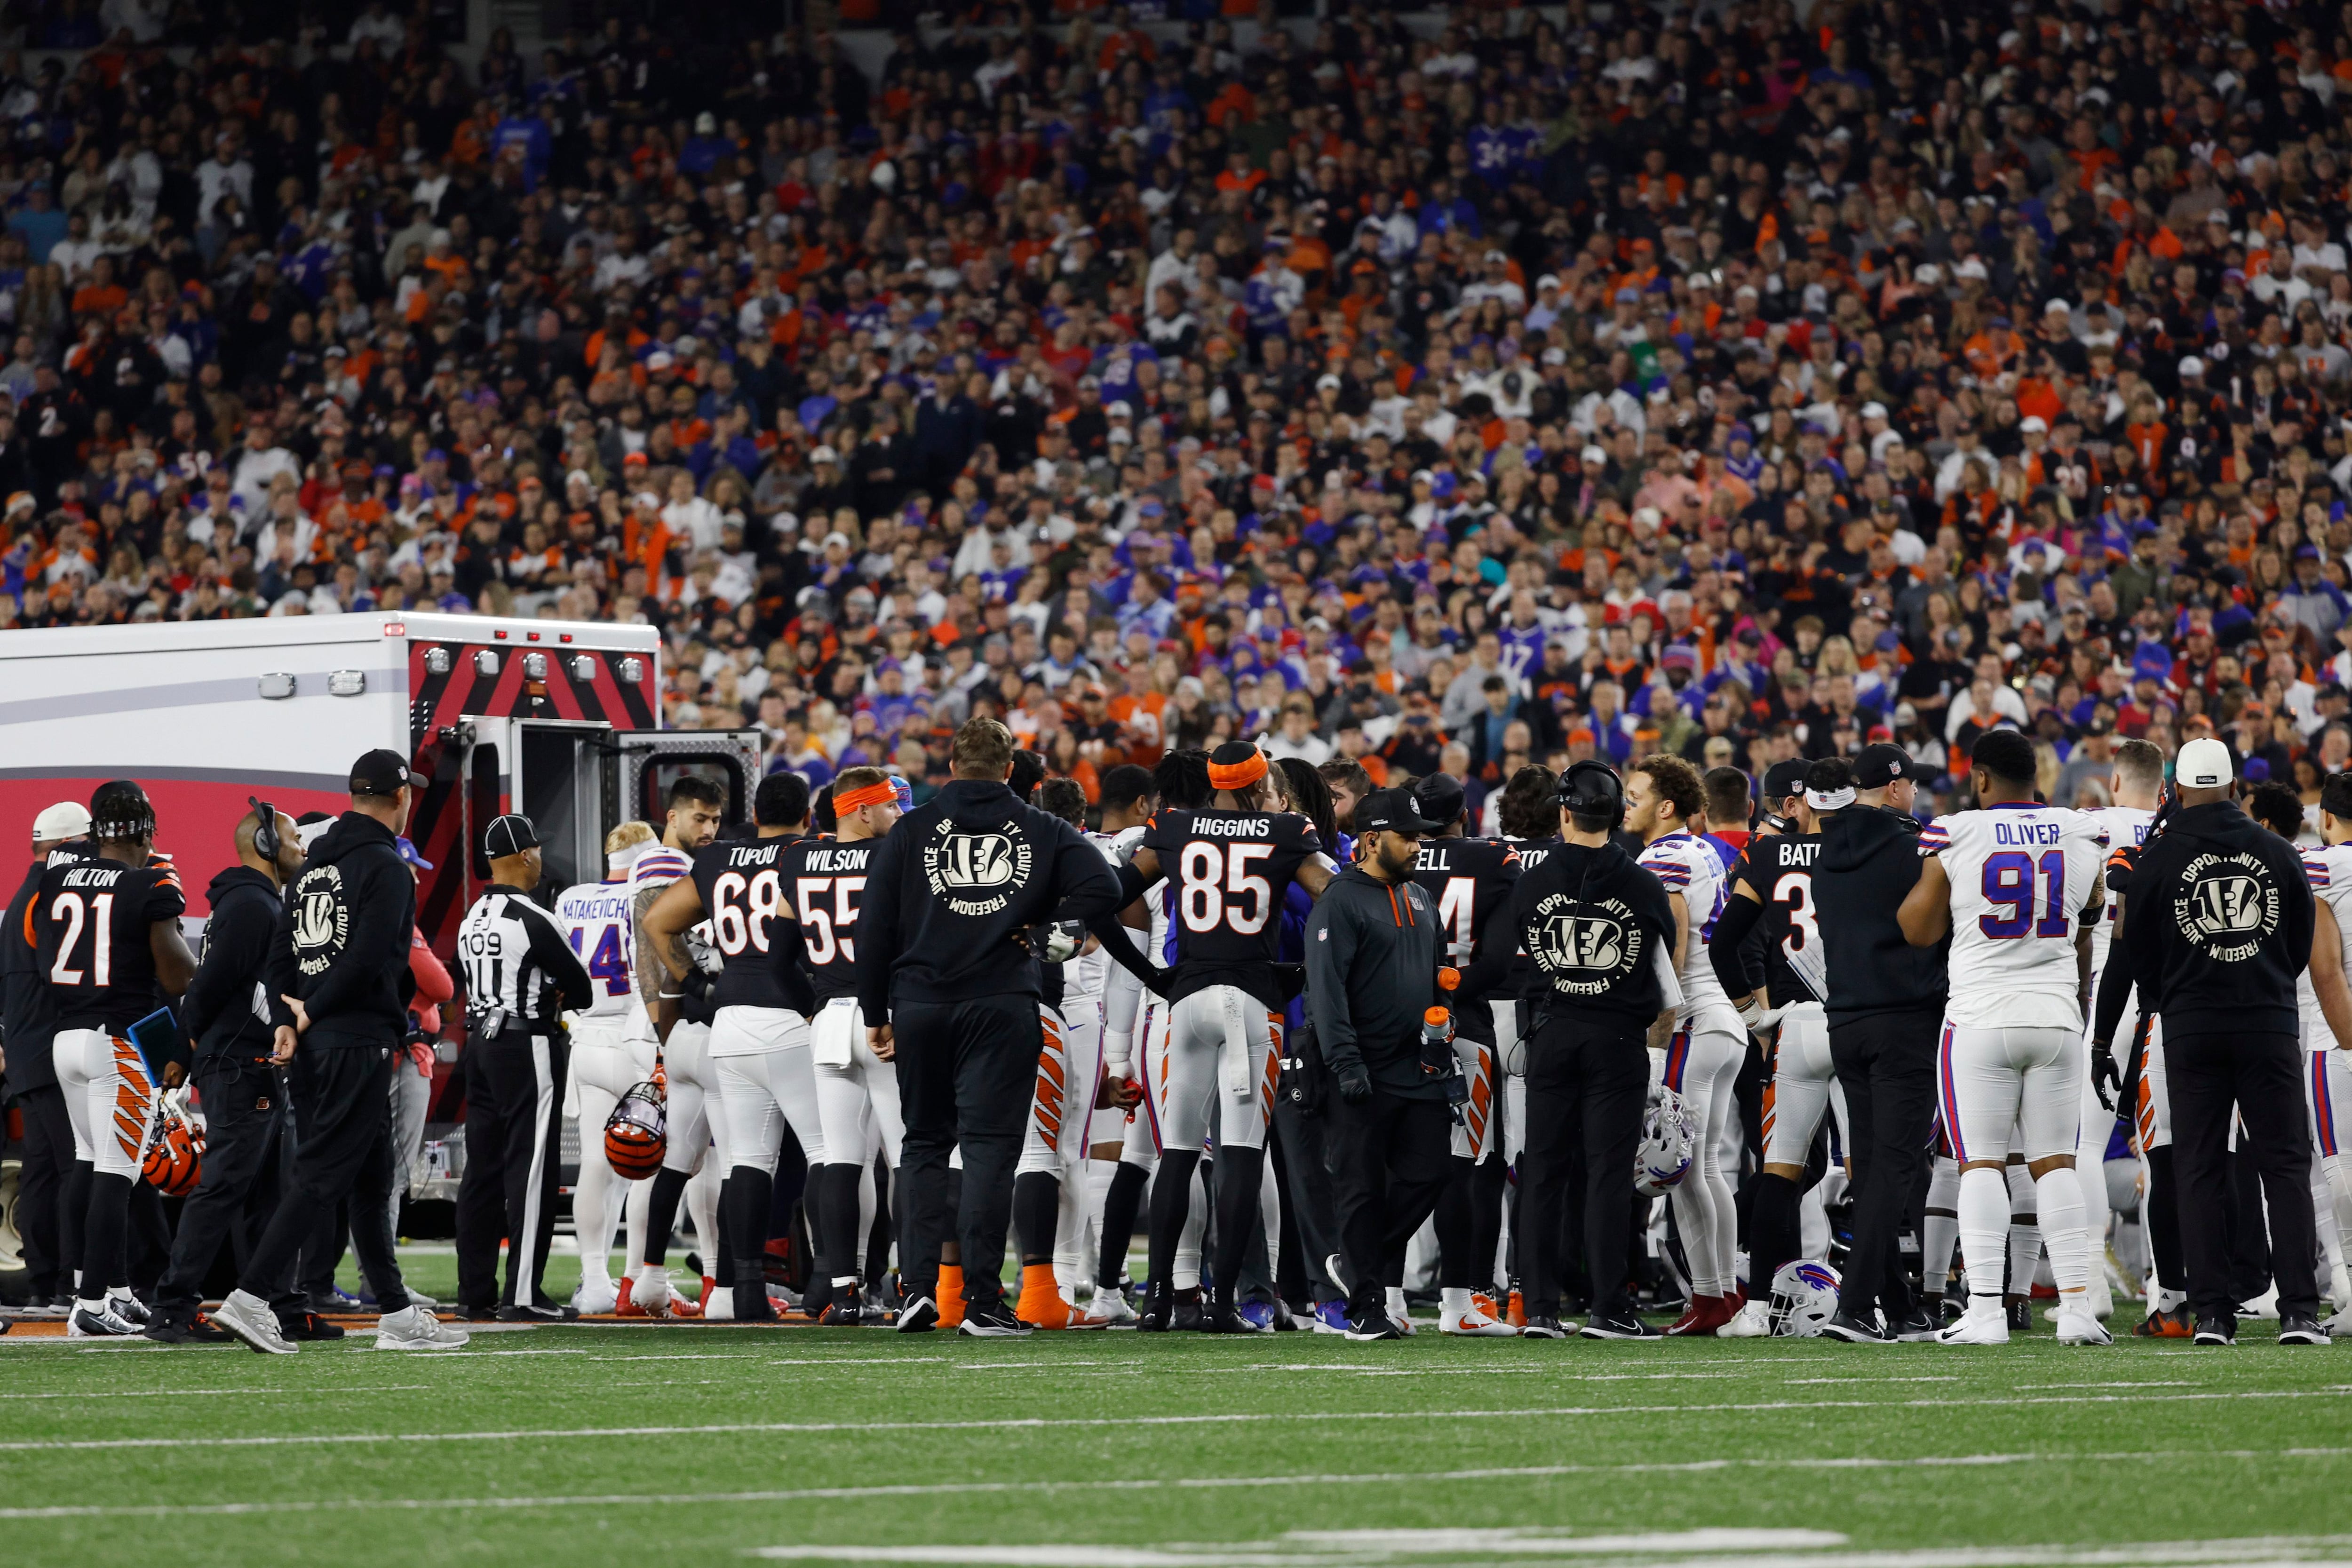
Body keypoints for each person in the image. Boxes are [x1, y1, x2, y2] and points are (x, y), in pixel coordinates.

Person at [854, 716, 1143, 1337]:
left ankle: (919, 1292)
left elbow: (872, 928)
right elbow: (1107, 887)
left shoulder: (911, 829)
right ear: (1011, 770)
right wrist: (1047, 938)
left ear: (952, 767)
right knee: (989, 1149)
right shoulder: (1043, 828)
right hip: (1002, 1000)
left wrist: (876, 1013)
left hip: (921, 1002)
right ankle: (984, 1302)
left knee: (924, 1146)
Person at [210, 749, 464, 1355]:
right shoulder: (384, 866)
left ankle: (397, 1313)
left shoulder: (309, 868)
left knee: (371, 1178)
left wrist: (288, 1020)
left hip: (319, 1040)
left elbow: (279, 956)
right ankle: (250, 1298)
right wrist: (314, 1012)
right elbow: (373, 958)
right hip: (357, 1039)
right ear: (400, 797)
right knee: (324, 1175)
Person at [1899, 728, 2112, 1347]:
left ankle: (1987, 1310)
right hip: (2055, 1017)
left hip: (1981, 1019)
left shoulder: (1957, 830)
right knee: (2055, 1165)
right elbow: (2092, 912)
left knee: (1981, 1165)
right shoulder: (2079, 829)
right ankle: (2076, 1305)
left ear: (1982, 778)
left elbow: (1919, 927)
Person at [1119, 740, 1335, 1333]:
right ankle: (1222, 1305)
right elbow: (1335, 900)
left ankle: (1160, 1299)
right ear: (1258, 781)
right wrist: (1299, 977)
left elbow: (1105, 898)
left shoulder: (1172, 825)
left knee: (1179, 1154)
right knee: (1240, 1154)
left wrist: (1150, 975)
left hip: (1185, 999)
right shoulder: (1286, 830)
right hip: (1250, 1004)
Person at [2117, 737, 2326, 1346]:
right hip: (2266, 1021)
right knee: (2284, 1164)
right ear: (2235, 787)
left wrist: (2175, 996)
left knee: (2200, 1165)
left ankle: (2212, 1313)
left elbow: (2140, 952)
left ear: (2177, 788)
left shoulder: (2158, 857)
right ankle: (2299, 1311)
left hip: (2192, 1025)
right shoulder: (2277, 850)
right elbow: (2297, 940)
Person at [1505, 760, 1681, 1340]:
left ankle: (1538, 1308)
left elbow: (1516, 954)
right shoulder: (1642, 881)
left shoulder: (1530, 879)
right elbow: (1663, 959)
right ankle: (1608, 1306)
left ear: (1563, 812)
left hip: (1551, 1034)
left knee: (1542, 1173)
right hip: (1616, 1038)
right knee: (1608, 1176)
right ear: (1616, 814)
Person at [642, 771, 822, 1323]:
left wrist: (695, 983)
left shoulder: (722, 858)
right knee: (828, 1155)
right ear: (807, 818)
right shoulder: (811, 856)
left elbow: (657, 922)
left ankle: (743, 1288)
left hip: (730, 1022)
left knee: (746, 1162)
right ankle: (829, 1283)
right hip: (792, 1018)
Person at [147, 799, 313, 1343]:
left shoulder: (249, 901)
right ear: (266, 847)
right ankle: (173, 1306)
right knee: (223, 1189)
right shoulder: (251, 905)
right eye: (292, 840)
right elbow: (208, 985)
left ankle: (280, 1304)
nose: (300, 849)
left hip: (245, 1062)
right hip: (239, 1065)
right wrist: (182, 1049)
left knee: (267, 1193)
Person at [38, 780, 193, 1337]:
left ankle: (112, 1288)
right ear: (148, 831)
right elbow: (178, 975)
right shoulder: (148, 885)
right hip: (116, 1042)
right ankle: (91, 1302)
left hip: (66, 1038)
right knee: (118, 1170)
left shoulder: (55, 876)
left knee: (88, 1160)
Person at [1303, 787, 1454, 1340]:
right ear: (1370, 840)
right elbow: (1326, 991)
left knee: (1432, 1172)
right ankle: (1365, 1306)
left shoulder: (1419, 897)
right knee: (1360, 1188)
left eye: (1418, 836)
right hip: (1359, 1069)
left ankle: (1353, 1262)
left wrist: (1443, 1032)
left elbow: (1439, 975)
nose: (1417, 846)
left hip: (1417, 1067)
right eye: (1407, 836)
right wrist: (1344, 1064)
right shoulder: (1339, 900)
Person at [1709, 757, 1852, 1338]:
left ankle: (1758, 1308)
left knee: (1779, 1171)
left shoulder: (1764, 854)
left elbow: (1724, 946)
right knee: (1874, 1168)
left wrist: (1754, 1016)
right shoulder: (1871, 848)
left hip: (1792, 1023)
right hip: (1857, 1018)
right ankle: (1881, 1302)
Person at [1813, 741, 1948, 1341]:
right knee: (1893, 1166)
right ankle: (1854, 1305)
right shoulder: (1913, 850)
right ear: (1895, 788)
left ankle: (1899, 1306)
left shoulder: (1824, 851)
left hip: (1843, 1021)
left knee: (1870, 1169)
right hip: (1902, 1021)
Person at [453, 812, 596, 1321]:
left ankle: (474, 1292)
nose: (541, 858)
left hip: (480, 1044)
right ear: (524, 856)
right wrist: (553, 994)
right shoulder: (534, 916)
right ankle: (522, 1295)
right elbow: (581, 988)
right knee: (532, 1169)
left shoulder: (472, 918)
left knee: (482, 1172)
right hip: (526, 1042)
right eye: (536, 849)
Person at [1625, 752, 1749, 1336]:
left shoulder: (1664, 854)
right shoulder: (1700, 846)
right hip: (1721, 1021)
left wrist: (1657, 1037)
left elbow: (1670, 948)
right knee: (1706, 1170)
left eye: (1636, 796)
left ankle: (1710, 1298)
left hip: (1692, 1022)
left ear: (1665, 805)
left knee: (1680, 1170)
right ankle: (1723, 1294)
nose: (1628, 806)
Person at [783, 767, 905, 1325]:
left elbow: (779, 954)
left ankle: (843, 1290)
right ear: (861, 810)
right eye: (888, 806)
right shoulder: (890, 855)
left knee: (839, 1160)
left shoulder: (799, 858)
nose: (896, 815)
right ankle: (915, 1283)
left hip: (830, 1018)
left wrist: (815, 1002)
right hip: (886, 1018)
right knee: (908, 1159)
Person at [1404, 771, 1520, 1336]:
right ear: (1465, 816)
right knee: (1461, 1165)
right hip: (1466, 1022)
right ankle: (1456, 1304)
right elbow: (1498, 965)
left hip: (1392, 1025)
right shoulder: (1494, 860)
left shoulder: (1383, 855)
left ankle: (1384, 1293)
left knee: (1386, 1160)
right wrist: (1449, 993)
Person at [620, 777, 723, 1317]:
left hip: (663, 1022)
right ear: (674, 816)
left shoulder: (659, 862)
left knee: (677, 1161)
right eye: (699, 819)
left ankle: (646, 1280)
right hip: (668, 1021)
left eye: (714, 820)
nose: (708, 830)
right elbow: (652, 954)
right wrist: (669, 1031)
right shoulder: (667, 866)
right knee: (680, 1163)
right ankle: (680, 1280)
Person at [2074, 737, 2164, 1318]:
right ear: (2162, 788)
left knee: (2082, 1141)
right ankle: (2166, 1286)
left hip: (2106, 993)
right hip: (2162, 999)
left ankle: (2090, 1283)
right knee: (2165, 1149)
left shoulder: (2085, 826)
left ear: (2112, 781)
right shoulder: (2176, 829)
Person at [556, 820, 658, 1316]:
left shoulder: (572, 897)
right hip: (631, 1035)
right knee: (652, 1163)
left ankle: (593, 1279)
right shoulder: (646, 894)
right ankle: (639, 1279)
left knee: (597, 1164)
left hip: (585, 1036)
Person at [1, 800, 94, 1317]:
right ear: (68, 846)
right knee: (71, 1165)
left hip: (25, 1048)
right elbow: (60, 974)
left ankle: (44, 1283)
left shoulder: (21, 897)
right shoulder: (52, 895)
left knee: (41, 1169)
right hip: (53, 1044)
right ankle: (68, 1283)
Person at [2294, 772, 2352, 1327]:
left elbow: (2325, 970)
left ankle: (2350, 1287)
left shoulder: (2322, 865)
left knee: (2336, 1167)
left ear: (2326, 819)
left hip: (2333, 1036)